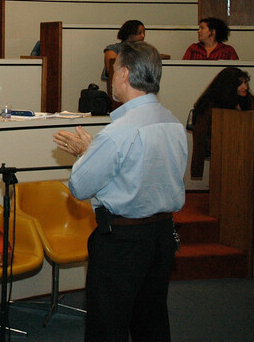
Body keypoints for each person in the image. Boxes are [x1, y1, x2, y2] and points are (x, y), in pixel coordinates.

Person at [53, 41, 186, 342]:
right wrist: (95, 152)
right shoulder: (174, 124)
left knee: (107, 326)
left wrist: (87, 154)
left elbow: (79, 186)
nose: (110, 77)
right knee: (151, 321)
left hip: (121, 242)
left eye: (112, 71)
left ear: (124, 74)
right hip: (162, 237)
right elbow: (148, 175)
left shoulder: (117, 133)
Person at [188, 67, 254, 179]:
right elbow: (200, 134)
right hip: (220, 145)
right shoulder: (210, 103)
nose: (245, 87)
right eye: (240, 84)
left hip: (243, 145)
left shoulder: (248, 99)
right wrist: (197, 171)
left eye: (245, 82)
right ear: (229, 86)